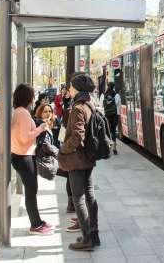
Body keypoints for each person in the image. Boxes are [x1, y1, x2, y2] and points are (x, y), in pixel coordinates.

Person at [59, 73, 100, 251]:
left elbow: (77, 136)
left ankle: (86, 239)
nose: (69, 88)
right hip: (88, 158)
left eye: (70, 86)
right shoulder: (89, 103)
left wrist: (63, 149)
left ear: (75, 88)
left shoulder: (78, 107)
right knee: (89, 195)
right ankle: (94, 234)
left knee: (79, 198)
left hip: (77, 160)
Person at [10, 84, 52, 235]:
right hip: (24, 156)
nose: (34, 99)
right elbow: (24, 137)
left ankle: (37, 222)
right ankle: (35, 225)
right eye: (32, 96)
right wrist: (41, 128)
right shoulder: (23, 114)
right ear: (28, 98)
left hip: (21, 155)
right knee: (31, 191)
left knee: (31, 190)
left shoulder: (18, 112)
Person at [34, 103, 75, 218]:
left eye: (50, 111)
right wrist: (60, 153)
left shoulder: (49, 123)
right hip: (44, 160)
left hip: (49, 158)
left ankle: (71, 205)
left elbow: (59, 138)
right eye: (45, 111)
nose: (48, 114)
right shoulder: (41, 124)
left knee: (69, 172)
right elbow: (45, 145)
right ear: (40, 113)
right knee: (69, 172)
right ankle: (71, 205)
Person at [103, 82, 119, 155]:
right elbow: (117, 105)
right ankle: (115, 149)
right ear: (113, 87)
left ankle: (108, 148)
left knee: (107, 132)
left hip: (107, 115)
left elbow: (102, 105)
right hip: (114, 115)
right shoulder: (116, 95)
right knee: (113, 131)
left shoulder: (104, 95)